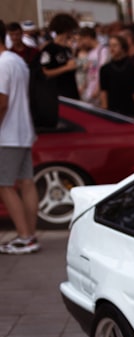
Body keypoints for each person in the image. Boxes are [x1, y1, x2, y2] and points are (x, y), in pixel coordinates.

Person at [0, 21, 40, 255]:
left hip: (7, 134)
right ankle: (30, 235)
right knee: (26, 183)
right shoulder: (17, 61)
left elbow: (2, 102)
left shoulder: (3, 63)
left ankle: (25, 236)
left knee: (4, 186)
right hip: (23, 130)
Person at [99, 35, 134, 120]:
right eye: (110, 46)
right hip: (112, 110)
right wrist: (104, 110)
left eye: (115, 45)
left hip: (129, 109)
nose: (112, 48)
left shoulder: (132, 67)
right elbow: (103, 91)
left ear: (122, 47)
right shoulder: (105, 69)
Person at [38, 13, 80, 99]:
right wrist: (66, 68)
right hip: (58, 94)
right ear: (66, 30)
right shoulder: (49, 49)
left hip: (71, 93)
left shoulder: (67, 49)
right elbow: (46, 72)